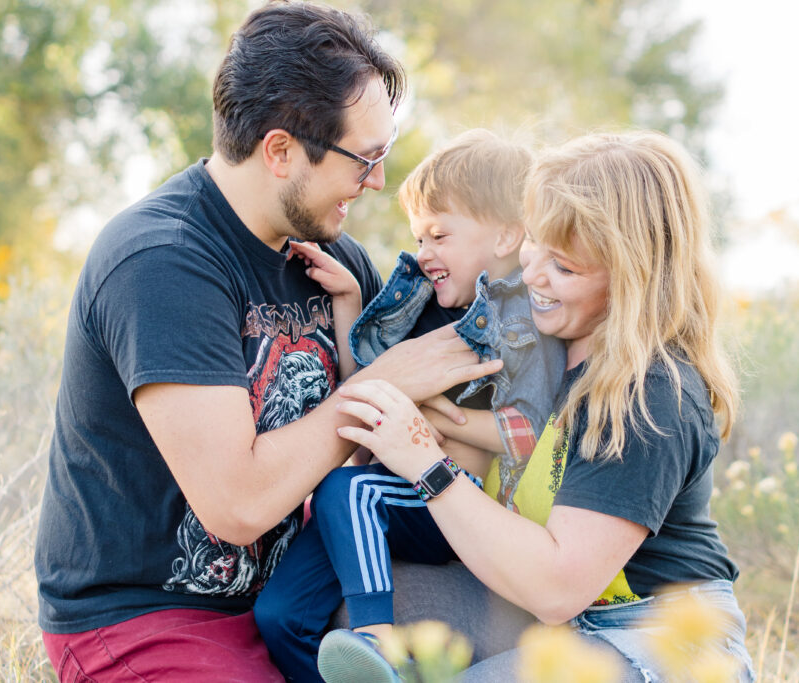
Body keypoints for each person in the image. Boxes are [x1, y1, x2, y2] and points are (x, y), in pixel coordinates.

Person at [33, 3, 502, 681]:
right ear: (280, 151)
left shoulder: (335, 262)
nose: (377, 182)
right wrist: (385, 384)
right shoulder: (162, 262)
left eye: (384, 155)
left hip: (292, 593)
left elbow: (383, 448)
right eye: (364, 160)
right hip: (152, 617)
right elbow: (239, 505)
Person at [324, 131, 756, 682]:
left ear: (633, 279)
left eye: (565, 268)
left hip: (657, 637)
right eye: (534, 245)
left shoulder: (651, 393)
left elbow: (557, 587)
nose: (531, 277)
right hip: (556, 622)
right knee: (356, 617)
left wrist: (425, 463)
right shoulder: (538, 340)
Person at [253, 130, 567, 681]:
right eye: (419, 237)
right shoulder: (423, 307)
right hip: (376, 496)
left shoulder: (523, 321)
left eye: (440, 235)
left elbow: (528, 433)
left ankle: (376, 638)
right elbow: (363, 393)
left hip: (445, 499)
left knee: (345, 489)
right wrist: (349, 301)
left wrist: (438, 418)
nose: (423, 254)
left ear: (506, 236)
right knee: (279, 617)